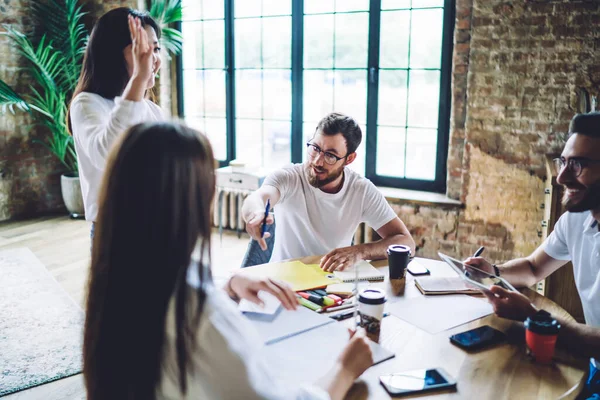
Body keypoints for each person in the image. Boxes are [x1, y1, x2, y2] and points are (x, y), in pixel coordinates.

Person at [83, 121, 374, 400]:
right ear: (189, 200)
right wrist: (346, 368)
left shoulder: (119, 279)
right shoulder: (203, 313)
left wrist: (230, 289)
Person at [465, 112, 600, 398]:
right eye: (563, 161)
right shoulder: (576, 218)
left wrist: (534, 317)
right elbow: (534, 267)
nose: (562, 177)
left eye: (577, 164)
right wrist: (493, 272)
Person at [242, 112, 415, 272]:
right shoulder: (289, 177)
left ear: (349, 159)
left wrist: (360, 252)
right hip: (284, 282)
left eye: (330, 155)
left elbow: (406, 242)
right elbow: (257, 197)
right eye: (315, 148)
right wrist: (255, 213)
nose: (317, 161)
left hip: (332, 284)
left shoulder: (361, 190)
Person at [68, 7, 164, 227]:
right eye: (142, 49)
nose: (153, 58)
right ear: (112, 53)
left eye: (156, 49)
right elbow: (108, 154)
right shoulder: (86, 104)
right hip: (115, 231)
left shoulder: (152, 111)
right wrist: (140, 78)